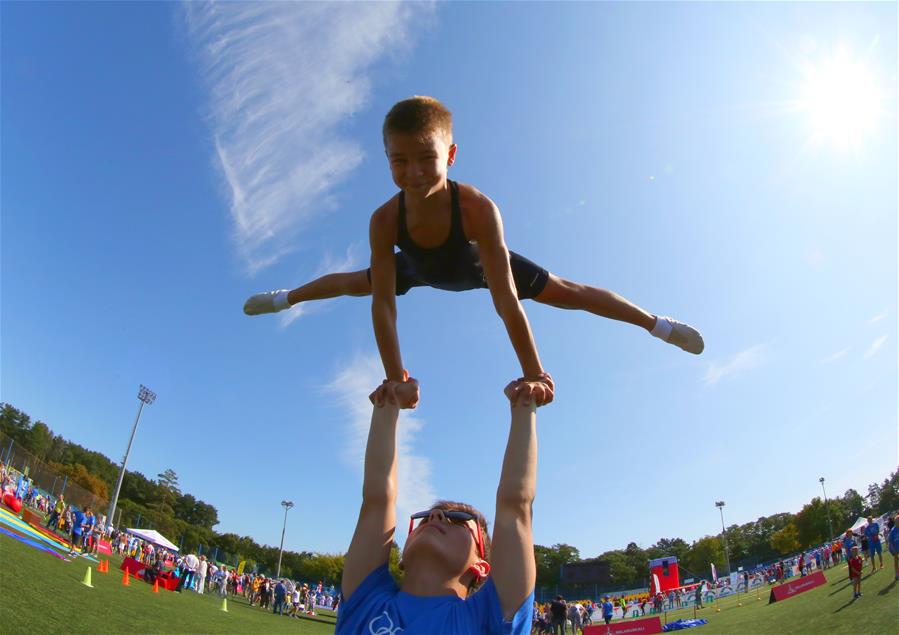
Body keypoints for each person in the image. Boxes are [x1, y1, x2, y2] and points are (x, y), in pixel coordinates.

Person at [244, 97, 705, 405]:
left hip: (479, 263)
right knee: (354, 282)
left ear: (450, 155)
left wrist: (536, 373)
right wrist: (395, 378)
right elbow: (383, 305)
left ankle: (657, 325)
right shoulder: (385, 220)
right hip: (422, 265)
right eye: (398, 160)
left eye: (426, 157)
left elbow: (505, 301)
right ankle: (285, 298)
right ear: (386, 158)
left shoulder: (478, 208)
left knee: (570, 291)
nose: (413, 172)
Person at [334, 374, 549, 634]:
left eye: (457, 519)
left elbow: (515, 505)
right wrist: (388, 406)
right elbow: (377, 499)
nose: (435, 515)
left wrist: (525, 406)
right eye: (425, 517)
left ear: (481, 567)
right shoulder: (365, 601)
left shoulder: (489, 619)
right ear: (401, 559)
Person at [888, 514, 899, 581]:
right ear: (895, 522)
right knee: (896, 560)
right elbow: (890, 541)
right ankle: (897, 574)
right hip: (894, 548)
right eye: (897, 521)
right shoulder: (893, 530)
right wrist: (894, 550)